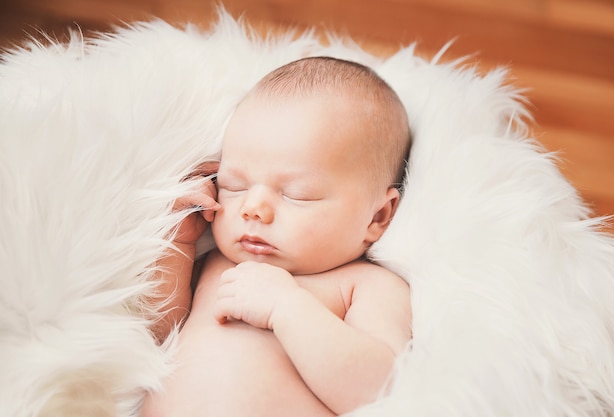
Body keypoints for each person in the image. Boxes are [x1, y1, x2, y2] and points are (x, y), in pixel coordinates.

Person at [141, 56, 413, 417]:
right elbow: (157, 335)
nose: (253, 208)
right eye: (234, 186)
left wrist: (287, 308)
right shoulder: (219, 262)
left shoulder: (366, 285)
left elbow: (378, 390)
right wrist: (178, 243)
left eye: (295, 194)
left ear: (377, 216)